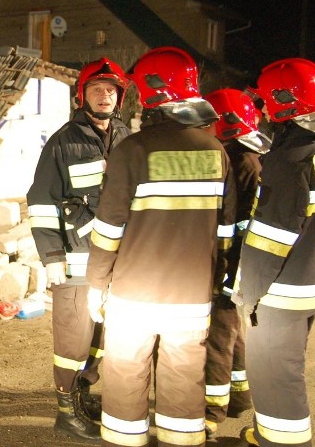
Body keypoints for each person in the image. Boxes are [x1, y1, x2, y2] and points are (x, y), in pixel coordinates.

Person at [85, 46, 236, 447]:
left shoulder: (132, 151)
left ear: (150, 94)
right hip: (191, 294)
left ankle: (126, 440)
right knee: (185, 376)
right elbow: (226, 231)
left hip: (134, 293)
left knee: (126, 372)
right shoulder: (215, 151)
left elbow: (108, 230)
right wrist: (213, 279)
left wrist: (96, 284)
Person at [233, 58, 315, 447]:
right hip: (309, 287)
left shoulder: (289, 161)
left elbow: (270, 241)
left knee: (275, 374)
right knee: (284, 370)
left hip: (279, 294)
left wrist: (248, 295)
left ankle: (282, 442)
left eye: (267, 101)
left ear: (286, 101)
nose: (263, 110)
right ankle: (267, 434)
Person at [27, 57, 131, 440]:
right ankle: (65, 410)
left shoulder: (124, 137)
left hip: (116, 261)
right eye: (96, 90)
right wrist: (52, 257)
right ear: (81, 96)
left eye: (111, 90)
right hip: (75, 260)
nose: (104, 96)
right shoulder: (62, 142)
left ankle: (84, 394)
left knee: (99, 335)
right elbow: (40, 201)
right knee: (73, 336)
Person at [201, 88, 271, 438]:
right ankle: (240, 397)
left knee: (217, 333)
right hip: (241, 266)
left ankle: (212, 409)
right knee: (232, 331)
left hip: (229, 264)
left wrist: (225, 271)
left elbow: (232, 223)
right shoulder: (250, 157)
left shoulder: (237, 162)